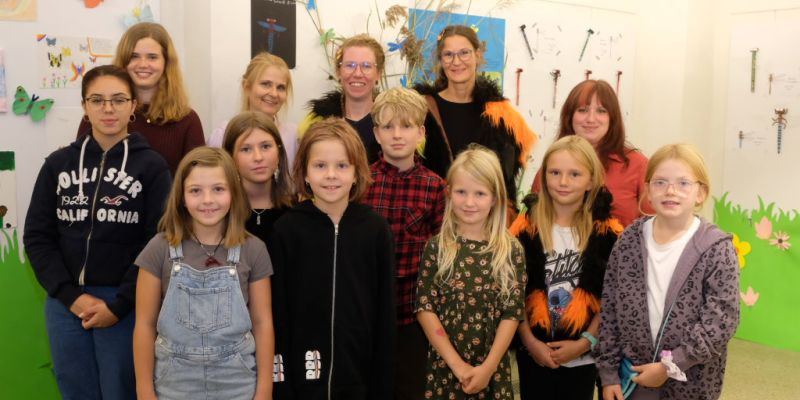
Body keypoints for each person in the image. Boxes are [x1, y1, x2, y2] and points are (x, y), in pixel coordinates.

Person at [24, 64, 172, 400]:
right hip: (66, 303)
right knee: (75, 389)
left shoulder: (152, 167)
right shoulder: (57, 164)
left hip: (125, 303)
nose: (108, 108)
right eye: (97, 100)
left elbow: (159, 242)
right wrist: (69, 296)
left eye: (118, 100)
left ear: (133, 106)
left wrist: (120, 305)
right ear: (84, 106)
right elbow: (37, 237)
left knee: (122, 390)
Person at [595, 144, 740, 400]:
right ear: (648, 190)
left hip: (690, 383)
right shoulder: (629, 241)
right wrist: (608, 374)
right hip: (632, 378)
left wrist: (671, 365)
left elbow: (721, 321)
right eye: (660, 182)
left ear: (701, 193)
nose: (670, 191)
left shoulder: (716, 248)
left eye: (683, 183)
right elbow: (610, 312)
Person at [133, 147, 274, 400]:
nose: (207, 200)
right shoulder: (159, 249)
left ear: (234, 193)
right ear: (181, 197)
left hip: (237, 383)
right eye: (195, 191)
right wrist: (144, 391)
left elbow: (263, 324)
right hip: (174, 384)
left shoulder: (254, 250)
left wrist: (265, 391)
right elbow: (144, 325)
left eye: (218, 189)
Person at [270, 118, 395, 399]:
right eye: (320, 166)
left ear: (357, 172)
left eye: (342, 165)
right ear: (304, 173)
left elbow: (385, 315)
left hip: (359, 381)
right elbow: (278, 313)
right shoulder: (287, 230)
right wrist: (281, 385)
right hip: (301, 382)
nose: (331, 175)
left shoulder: (375, 230)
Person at [512, 136, 621, 400]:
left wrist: (585, 342)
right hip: (533, 353)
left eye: (574, 174)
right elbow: (513, 293)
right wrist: (530, 342)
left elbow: (611, 299)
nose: (563, 182)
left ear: (591, 181)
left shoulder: (608, 236)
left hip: (583, 358)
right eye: (555, 173)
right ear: (544, 176)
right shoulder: (524, 229)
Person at [415, 146, 526, 399]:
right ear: (449, 193)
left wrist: (487, 369)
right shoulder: (437, 247)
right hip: (445, 370)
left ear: (495, 198)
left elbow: (512, 313)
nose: (469, 202)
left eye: (480, 193)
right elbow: (425, 308)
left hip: (492, 372)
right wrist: (458, 366)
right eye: (461, 192)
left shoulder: (511, 251)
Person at [362, 87, 447, 400]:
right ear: (376, 133)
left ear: (421, 132)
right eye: (388, 127)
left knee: (410, 389)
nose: (397, 135)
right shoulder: (361, 183)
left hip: (412, 316)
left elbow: (441, 256)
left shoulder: (435, 187)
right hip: (367, 313)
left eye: (406, 126)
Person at [414, 25, 536, 209]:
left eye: (464, 53)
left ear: (477, 55)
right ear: (441, 60)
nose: (456, 62)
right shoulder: (421, 109)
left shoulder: (501, 115)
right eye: (448, 55)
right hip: (433, 213)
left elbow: (505, 181)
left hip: (483, 216)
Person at [76, 22, 205, 175]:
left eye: (152, 57)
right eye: (134, 56)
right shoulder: (98, 115)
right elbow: (81, 173)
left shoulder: (188, 120)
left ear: (166, 63)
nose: (143, 64)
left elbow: (198, 179)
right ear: (123, 61)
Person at [532, 80, 650, 227]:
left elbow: (655, 225)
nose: (591, 119)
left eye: (601, 111)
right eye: (582, 110)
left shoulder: (638, 165)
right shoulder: (552, 163)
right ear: (569, 116)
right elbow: (533, 220)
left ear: (612, 118)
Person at [298, 34, 386, 164]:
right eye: (350, 65)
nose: (357, 73)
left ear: (378, 73)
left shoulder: (394, 124)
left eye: (367, 66)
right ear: (338, 72)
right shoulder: (316, 123)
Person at [209, 52, 299, 167]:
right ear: (247, 87)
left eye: (280, 87)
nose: (274, 93)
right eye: (266, 84)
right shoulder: (223, 134)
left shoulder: (294, 136)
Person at [220, 111, 294, 250]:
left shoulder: (295, 212)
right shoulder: (220, 213)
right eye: (246, 149)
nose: (258, 157)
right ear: (231, 157)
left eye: (265, 146)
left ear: (279, 152)